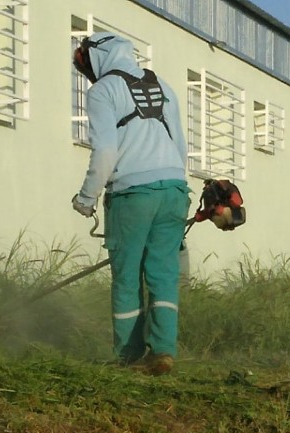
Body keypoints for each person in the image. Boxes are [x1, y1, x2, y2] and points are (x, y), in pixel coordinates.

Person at [71, 32, 191, 375]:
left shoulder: (103, 90)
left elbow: (106, 150)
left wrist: (86, 197)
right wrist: (174, 186)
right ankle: (164, 352)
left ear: (97, 57)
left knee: (126, 276)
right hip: (174, 190)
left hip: (133, 193)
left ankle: (128, 354)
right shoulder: (164, 86)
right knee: (164, 274)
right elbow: (179, 146)